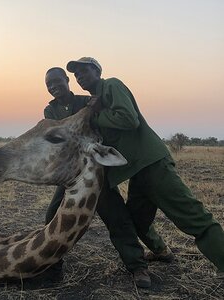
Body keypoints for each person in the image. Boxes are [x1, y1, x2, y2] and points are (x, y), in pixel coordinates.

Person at [65, 57, 224, 277]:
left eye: (83, 71)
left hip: (152, 165)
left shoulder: (111, 85)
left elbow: (129, 119)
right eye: (76, 75)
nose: (79, 77)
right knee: (137, 223)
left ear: (97, 71)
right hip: (137, 173)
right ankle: (161, 251)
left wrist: (98, 115)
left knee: (195, 220)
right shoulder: (95, 100)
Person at [42, 67, 173, 288]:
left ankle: (138, 266)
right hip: (71, 172)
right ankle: (53, 265)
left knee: (117, 218)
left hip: (95, 171)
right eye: (48, 85)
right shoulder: (50, 111)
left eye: (57, 81)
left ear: (67, 80)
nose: (53, 87)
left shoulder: (88, 101)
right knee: (52, 216)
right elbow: (57, 139)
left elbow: (106, 126)